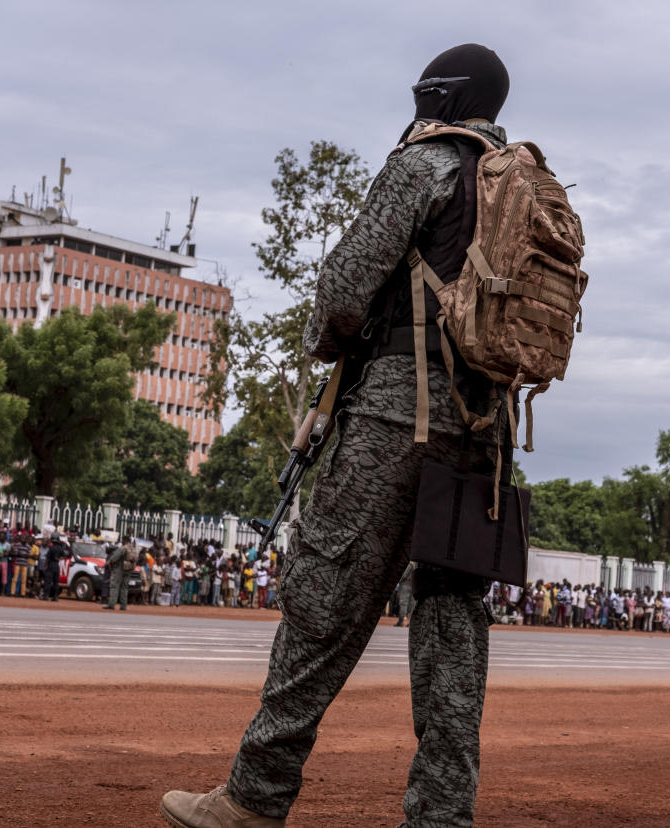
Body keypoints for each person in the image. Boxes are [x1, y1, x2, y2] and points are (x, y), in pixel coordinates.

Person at [162, 43, 517, 827]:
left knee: (324, 603)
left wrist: (330, 346)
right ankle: (440, 817)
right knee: (453, 633)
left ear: (442, 95)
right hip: (484, 437)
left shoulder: (426, 163)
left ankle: (254, 797)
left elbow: (344, 293)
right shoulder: (522, 186)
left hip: (396, 416)